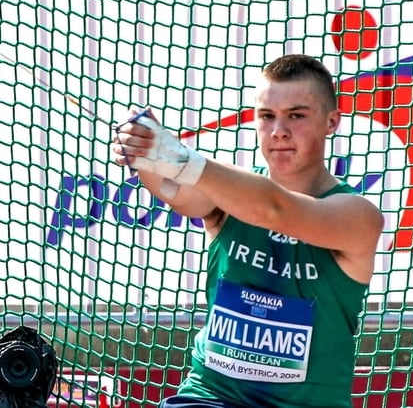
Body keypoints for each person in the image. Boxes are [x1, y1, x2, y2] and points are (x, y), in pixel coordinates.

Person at [110, 54, 384, 408]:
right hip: (210, 399)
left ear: (331, 122)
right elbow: (174, 189)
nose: (279, 131)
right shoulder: (227, 191)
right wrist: (144, 150)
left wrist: (181, 159)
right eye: (267, 116)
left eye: (296, 116)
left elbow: (273, 209)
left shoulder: (358, 215)